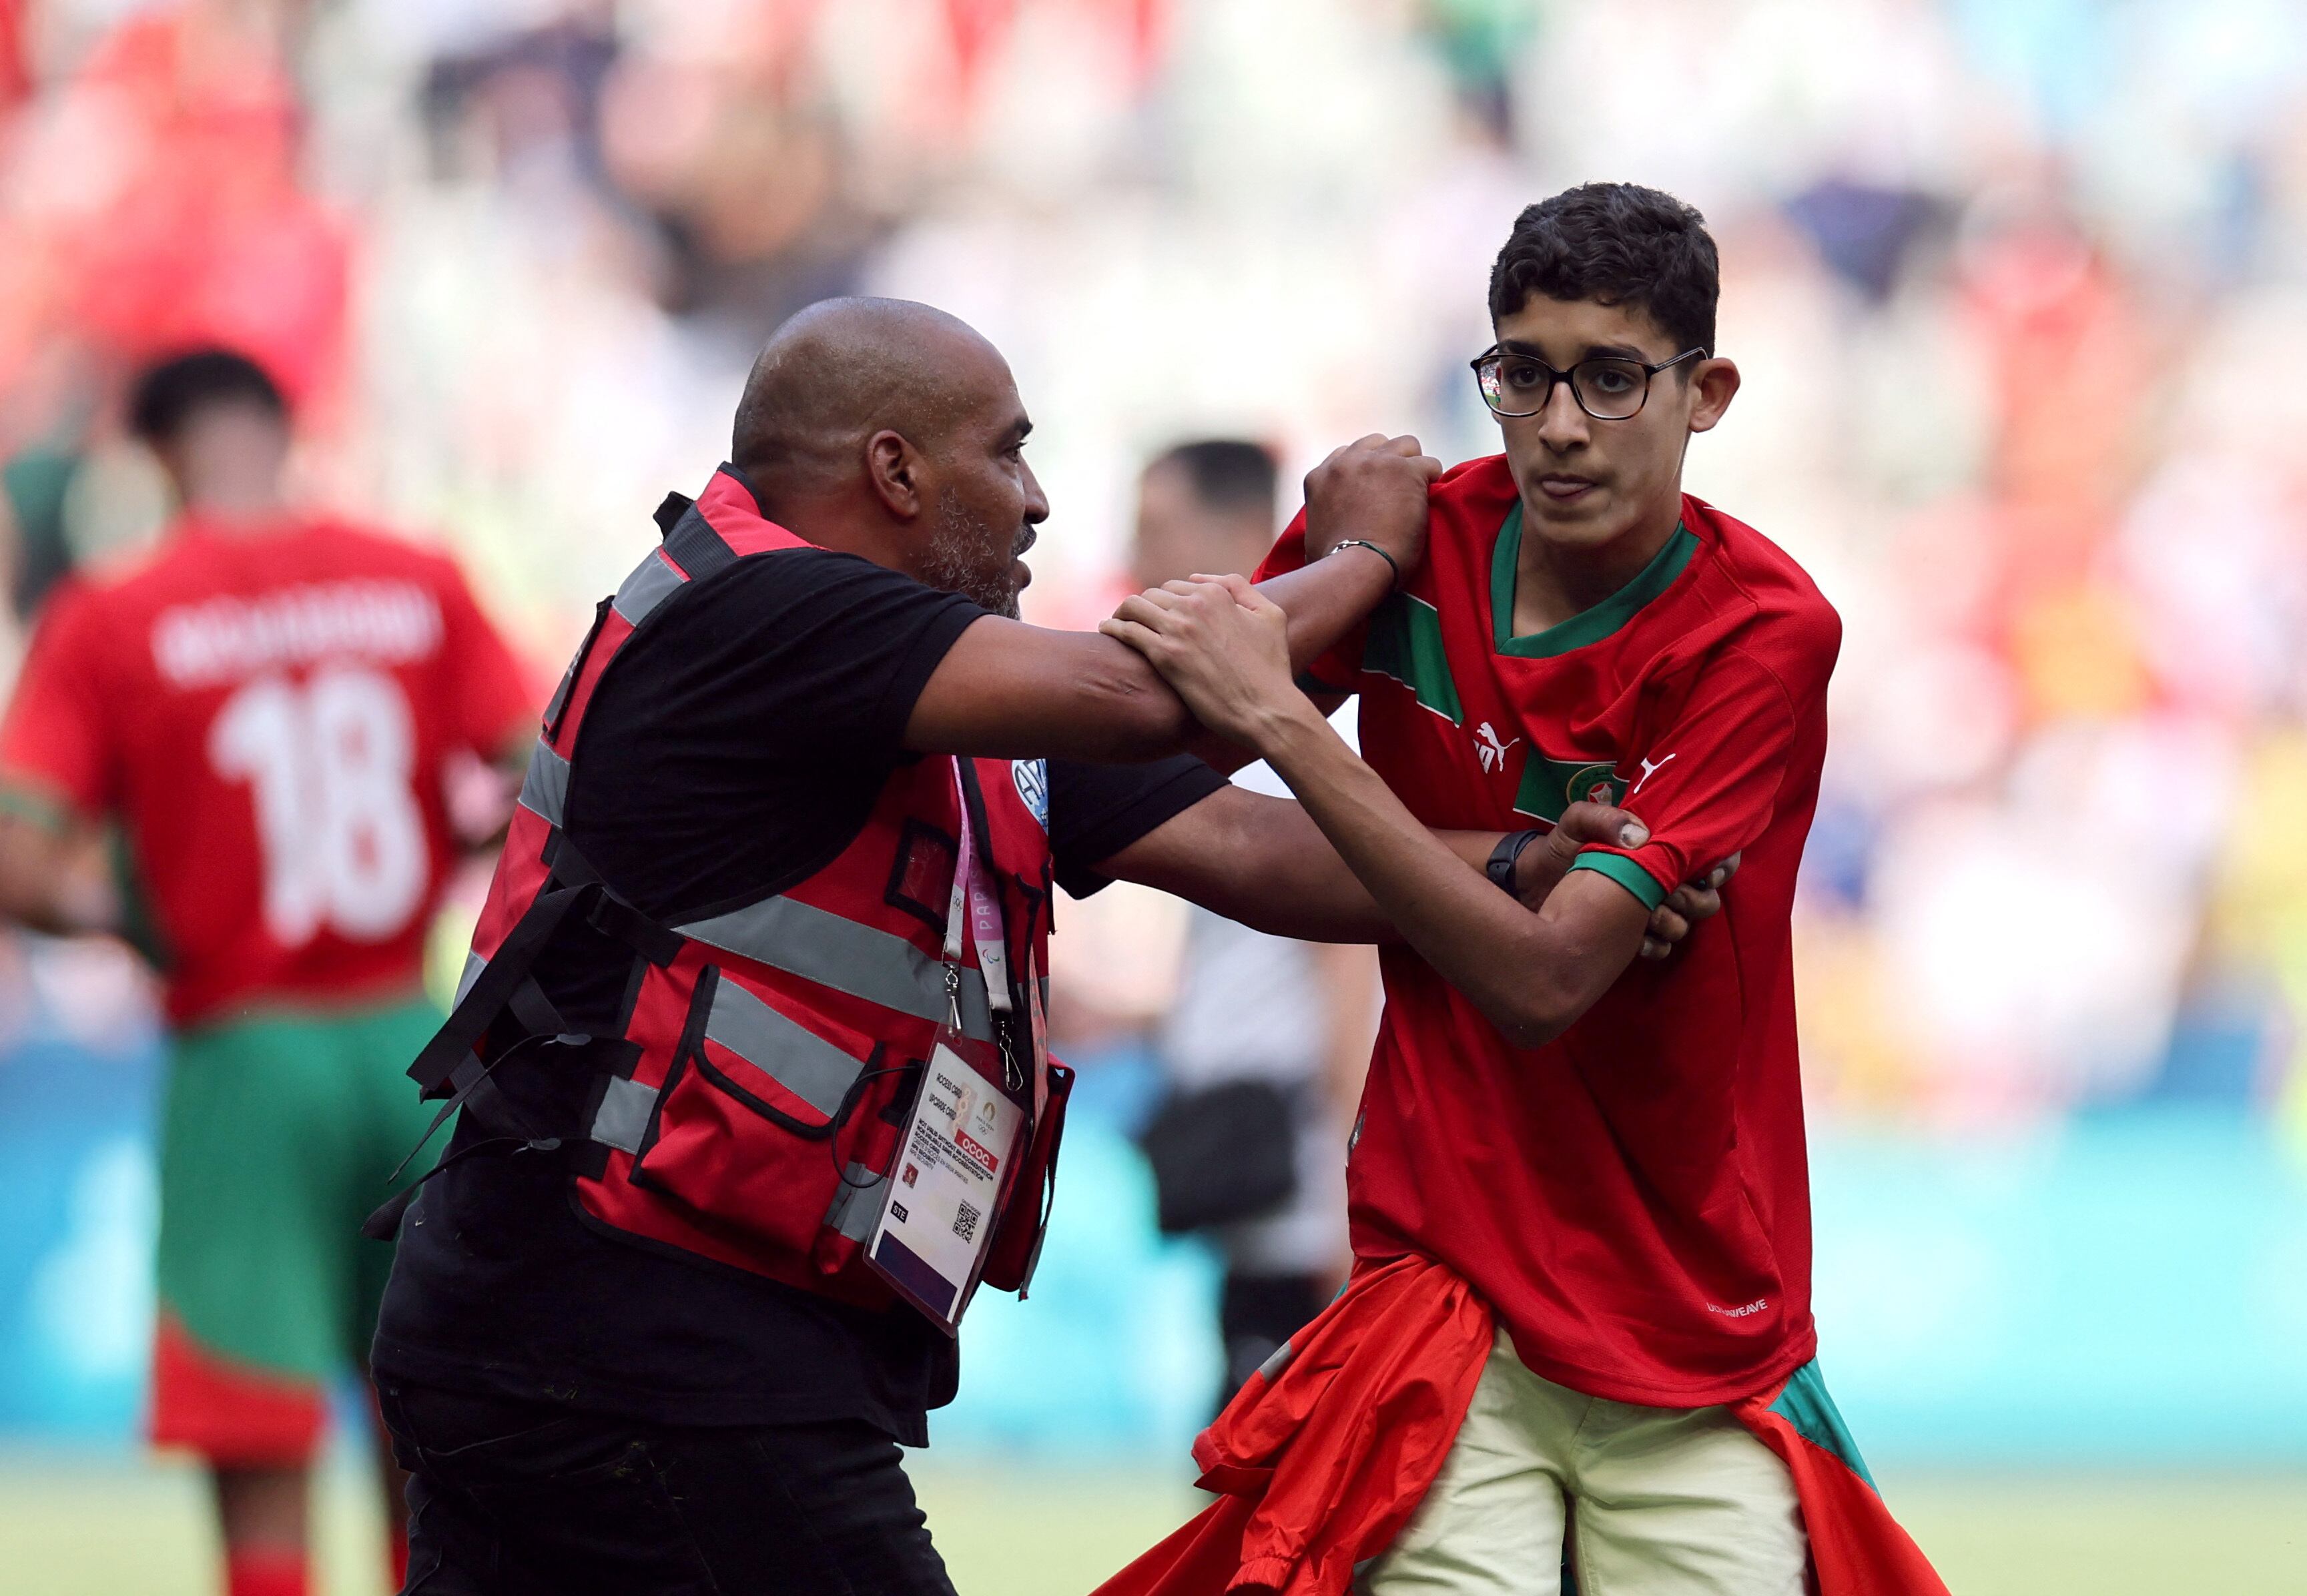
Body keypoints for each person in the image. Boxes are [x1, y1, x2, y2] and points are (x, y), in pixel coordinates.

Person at [369, 296, 1726, 1596]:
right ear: (893, 469)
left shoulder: (944, 693)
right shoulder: (760, 610)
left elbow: (1246, 845)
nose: (1038, 497)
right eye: (1007, 449)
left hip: (606, 1317)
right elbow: (1148, 698)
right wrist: (1365, 556)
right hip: (640, 1330)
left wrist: (1519, 863)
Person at [1098, 185, 1946, 1595]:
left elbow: (1545, 980)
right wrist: (1353, 562)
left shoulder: (1761, 630)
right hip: (1450, 1286)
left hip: (1685, 1310)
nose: (1559, 424)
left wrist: (1292, 726)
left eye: (1612, 376)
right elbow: (1146, 751)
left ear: (1707, 390)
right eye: (1523, 372)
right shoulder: (1413, 541)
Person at [0, 349, 537, 1596]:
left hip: (242, 1049)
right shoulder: (416, 577)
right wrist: (441, 845)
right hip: (411, 1051)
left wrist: (135, 913)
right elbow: (544, 769)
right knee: (435, 1416)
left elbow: (19, 857)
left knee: (253, 1422)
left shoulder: (119, 612)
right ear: (284, 431)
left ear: (153, 455)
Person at [1132, 439, 1375, 1405]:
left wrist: (1356, 1213)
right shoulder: (1231, 735)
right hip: (1256, 1195)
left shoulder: (1288, 742)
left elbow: (1350, 974)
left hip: (1306, 1209)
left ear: (1240, 537)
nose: (1135, 556)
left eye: (1156, 530)